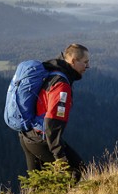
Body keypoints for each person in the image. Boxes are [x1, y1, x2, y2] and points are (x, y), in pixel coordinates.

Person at [18, 43, 90, 183]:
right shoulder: (61, 85)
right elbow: (52, 123)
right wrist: (60, 157)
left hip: (27, 135)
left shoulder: (52, 73)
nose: (87, 67)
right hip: (41, 138)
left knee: (38, 185)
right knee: (78, 170)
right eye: (85, 62)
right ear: (74, 61)